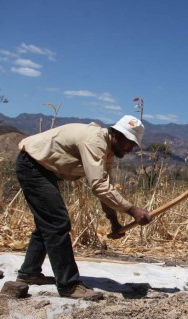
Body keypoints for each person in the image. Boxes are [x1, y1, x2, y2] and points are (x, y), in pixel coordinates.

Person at [14, 115, 152, 300]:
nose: (131, 149)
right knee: (57, 223)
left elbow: (105, 188)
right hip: (33, 166)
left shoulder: (107, 151)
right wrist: (132, 209)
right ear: (118, 135)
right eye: (130, 143)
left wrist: (114, 222)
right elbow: (99, 186)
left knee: (48, 223)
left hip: (42, 170)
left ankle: (29, 272)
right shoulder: (94, 140)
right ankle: (69, 285)